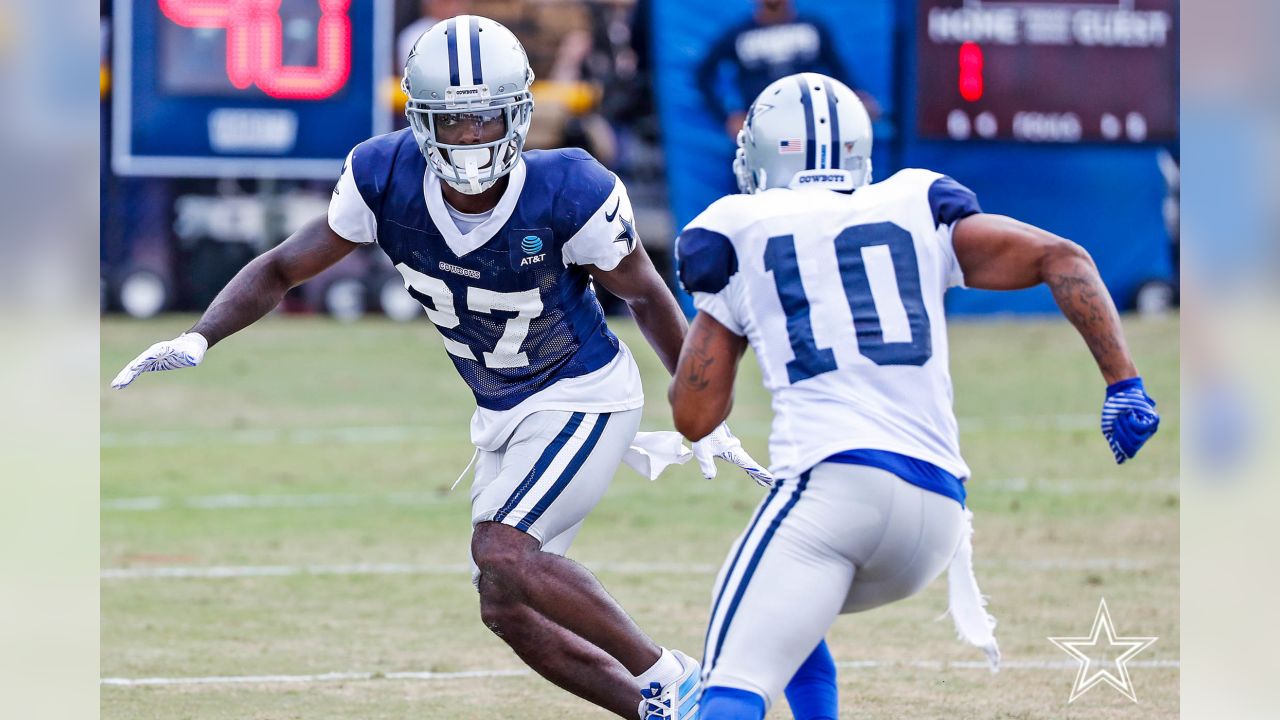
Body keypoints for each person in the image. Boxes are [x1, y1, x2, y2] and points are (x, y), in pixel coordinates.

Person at [112, 15, 776, 720]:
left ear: (517, 113)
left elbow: (644, 295)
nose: (470, 137)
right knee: (504, 603)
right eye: (450, 122)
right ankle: (655, 712)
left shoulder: (570, 189)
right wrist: (201, 336)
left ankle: (675, 678)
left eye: (485, 118)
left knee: (503, 549)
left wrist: (699, 411)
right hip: (500, 408)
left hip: (584, 392)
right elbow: (281, 268)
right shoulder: (382, 177)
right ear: (419, 120)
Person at [668, 72, 1160, 720]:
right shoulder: (915, 200)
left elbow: (696, 417)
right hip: (937, 515)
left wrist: (724, 312)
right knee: (780, 614)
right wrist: (1124, 384)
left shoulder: (736, 227)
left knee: (730, 682)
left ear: (760, 155)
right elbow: (1062, 257)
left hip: (837, 489)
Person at [696, 0, 876, 143]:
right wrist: (727, 117)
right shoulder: (738, 34)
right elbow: (703, 76)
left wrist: (856, 98)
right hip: (759, 129)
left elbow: (837, 68)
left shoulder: (812, 27)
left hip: (812, 126)